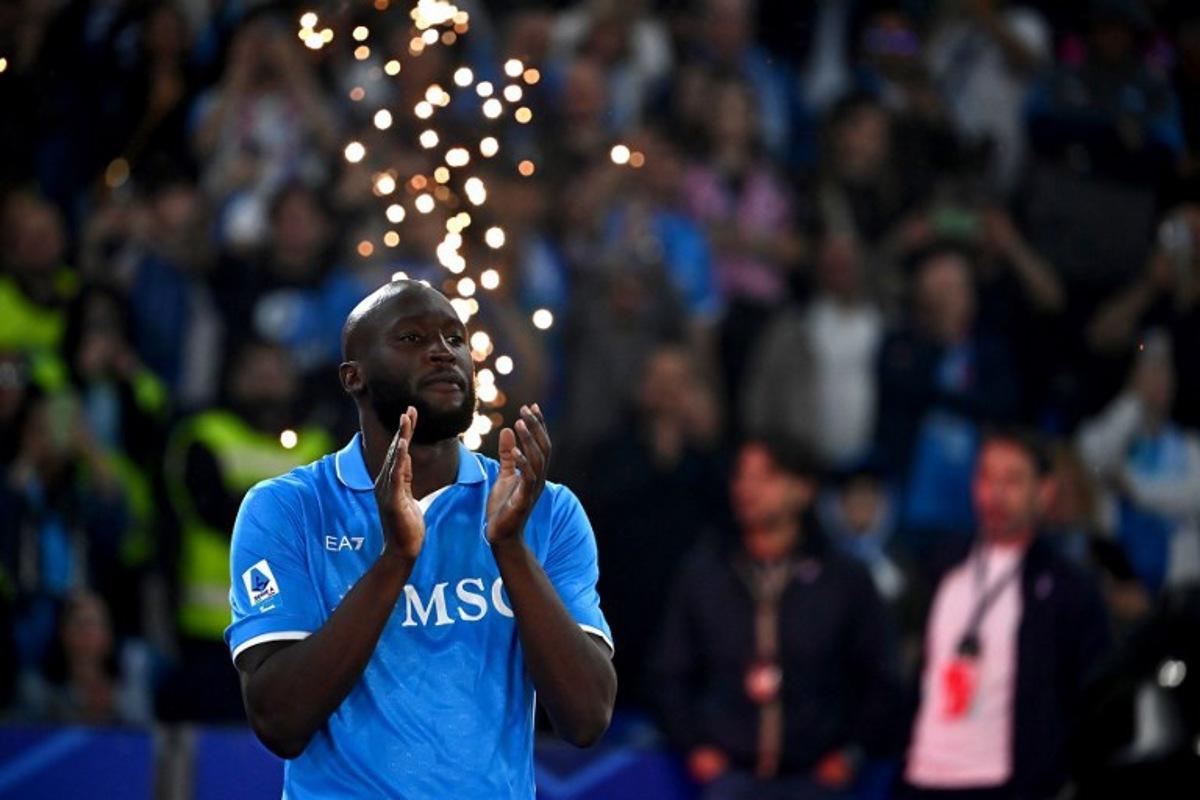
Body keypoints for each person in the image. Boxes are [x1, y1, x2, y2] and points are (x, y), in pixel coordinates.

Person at [226, 280, 616, 796]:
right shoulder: (288, 508)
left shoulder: (545, 509)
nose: (442, 351)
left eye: (455, 338)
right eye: (411, 338)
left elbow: (587, 718)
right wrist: (395, 561)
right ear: (353, 377)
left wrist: (510, 549)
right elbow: (279, 721)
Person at [652, 439, 903, 799]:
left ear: (803, 489)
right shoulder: (705, 574)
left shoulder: (844, 579)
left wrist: (851, 753)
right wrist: (695, 746)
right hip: (729, 780)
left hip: (816, 780)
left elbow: (880, 678)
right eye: (741, 475)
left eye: (765, 476)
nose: (746, 488)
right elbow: (669, 674)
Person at [899, 429, 1111, 799]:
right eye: (986, 477)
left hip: (1010, 782)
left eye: (1012, 480)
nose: (994, 493)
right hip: (924, 774)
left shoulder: (1067, 586)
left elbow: (1093, 695)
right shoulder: (940, 565)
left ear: (1044, 491)